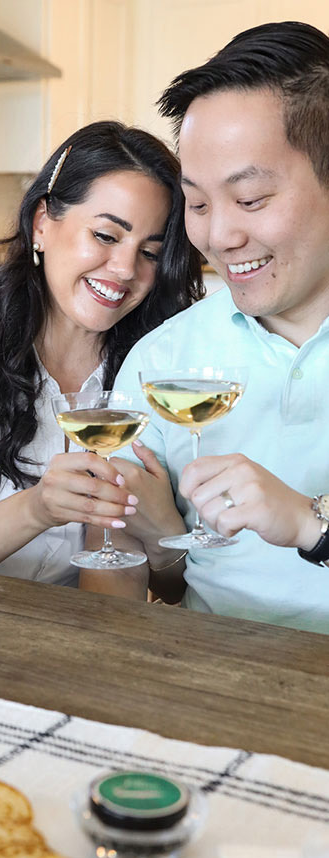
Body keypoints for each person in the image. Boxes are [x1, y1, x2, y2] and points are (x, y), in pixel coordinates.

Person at [93, 21, 329, 632]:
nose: (218, 237)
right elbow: (132, 588)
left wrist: (310, 520)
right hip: (207, 685)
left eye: (250, 199)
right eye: (197, 204)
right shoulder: (161, 359)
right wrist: (161, 536)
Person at [0, 122, 201, 586]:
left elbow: (166, 590)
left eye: (150, 252)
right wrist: (37, 508)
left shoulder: (156, 375)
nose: (126, 269)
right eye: (106, 236)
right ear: (42, 223)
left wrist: (164, 528)